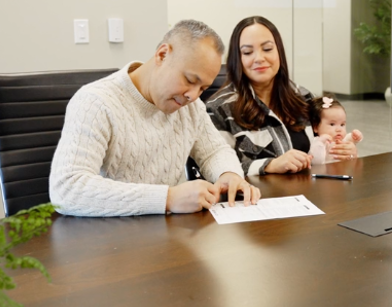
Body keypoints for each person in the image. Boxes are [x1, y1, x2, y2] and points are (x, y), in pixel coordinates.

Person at [50, 19, 261, 217]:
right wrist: (167, 198)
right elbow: (68, 189)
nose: (193, 95)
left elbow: (214, 150)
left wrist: (228, 175)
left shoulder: (191, 107)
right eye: (189, 80)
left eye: (203, 88)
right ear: (162, 55)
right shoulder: (95, 103)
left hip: (170, 234)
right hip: (109, 238)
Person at [206, 16, 358, 175]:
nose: (259, 58)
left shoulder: (303, 97)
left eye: (267, 49)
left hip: (309, 194)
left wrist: (343, 150)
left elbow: (324, 151)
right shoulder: (219, 109)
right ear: (237, 59)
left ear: (279, 52)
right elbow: (216, 170)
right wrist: (269, 165)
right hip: (257, 197)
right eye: (248, 52)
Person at [307, 95, 363, 165]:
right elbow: (315, 161)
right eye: (332, 124)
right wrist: (320, 142)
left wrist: (355, 137)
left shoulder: (341, 140)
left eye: (342, 125)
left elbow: (349, 140)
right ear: (315, 127)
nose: (339, 129)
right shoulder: (316, 142)